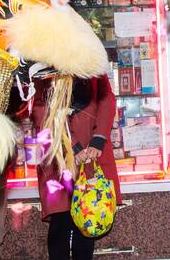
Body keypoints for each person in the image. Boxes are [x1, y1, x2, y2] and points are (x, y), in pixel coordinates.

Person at [29, 74, 121, 260]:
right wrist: (71, 146)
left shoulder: (91, 60)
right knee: (60, 224)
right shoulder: (45, 66)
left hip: (90, 149)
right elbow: (42, 110)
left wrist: (98, 139)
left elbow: (106, 97)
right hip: (59, 154)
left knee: (88, 217)